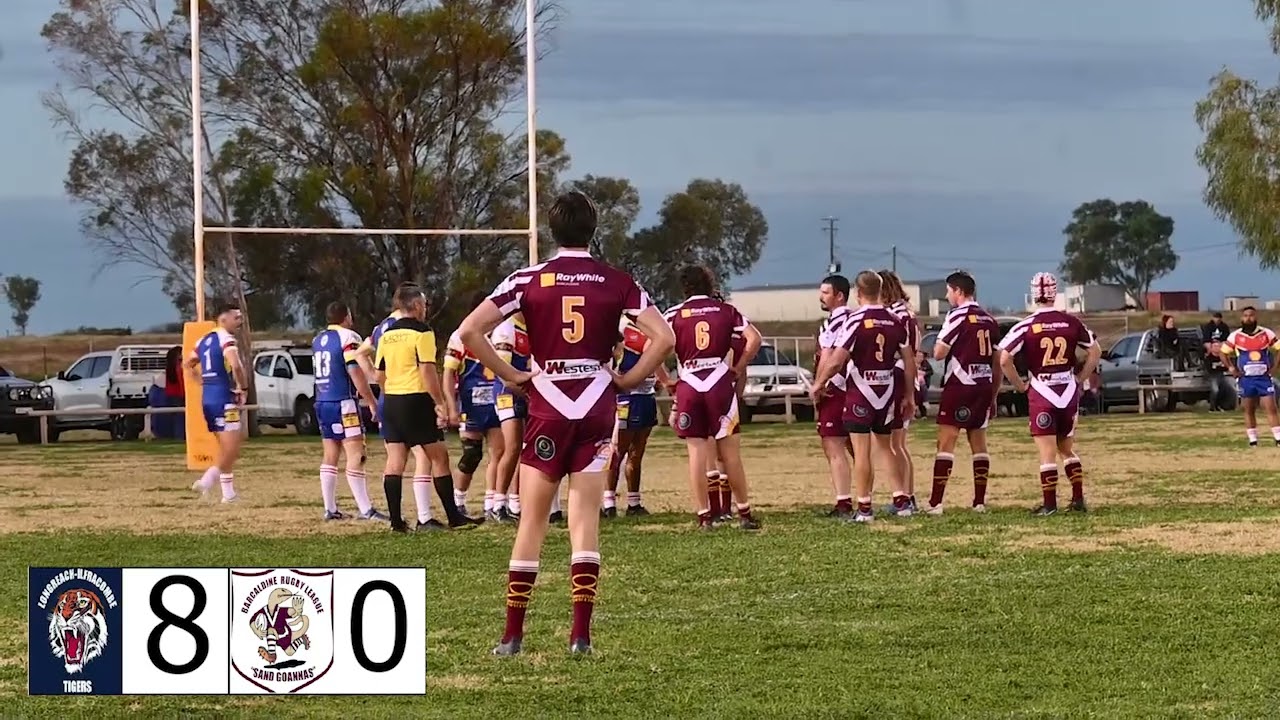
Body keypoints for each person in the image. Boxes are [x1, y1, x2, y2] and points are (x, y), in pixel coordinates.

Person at [457, 190, 674, 656]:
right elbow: (665, 336)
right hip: (596, 403)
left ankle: (513, 636)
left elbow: (469, 331)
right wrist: (630, 378)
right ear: (594, 229)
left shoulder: (527, 278)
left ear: (551, 230)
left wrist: (513, 373)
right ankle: (580, 636)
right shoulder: (617, 281)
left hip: (548, 404)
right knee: (584, 519)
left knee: (532, 519)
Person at [810, 271, 916, 523]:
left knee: (861, 450)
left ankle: (865, 507)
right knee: (887, 446)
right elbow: (909, 360)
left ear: (858, 293)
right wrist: (909, 394)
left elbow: (837, 359)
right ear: (880, 291)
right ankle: (901, 500)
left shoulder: (855, 320)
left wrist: (819, 383)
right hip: (886, 389)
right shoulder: (894, 320)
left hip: (861, 392)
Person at [665, 264, 764, 531]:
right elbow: (754, 339)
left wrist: (665, 380)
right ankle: (744, 513)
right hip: (719, 381)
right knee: (730, 454)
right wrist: (739, 367)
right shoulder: (727, 311)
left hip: (689, 382)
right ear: (710, 285)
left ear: (685, 287)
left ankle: (704, 516)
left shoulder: (674, 313)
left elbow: (652, 344)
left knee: (696, 454)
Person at [995, 272, 1101, 515]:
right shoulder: (1071, 322)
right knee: (1066, 448)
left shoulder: (1027, 325)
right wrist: (1080, 378)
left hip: (1043, 391)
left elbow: (1005, 358)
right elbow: (1095, 351)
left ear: (1034, 294)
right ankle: (1077, 499)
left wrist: (1020, 385)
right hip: (1067, 390)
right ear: (1055, 293)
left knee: (1047, 452)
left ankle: (1050, 504)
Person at [374, 285, 475, 532]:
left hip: (392, 401)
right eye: (425, 304)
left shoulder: (387, 334)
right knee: (439, 457)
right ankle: (454, 516)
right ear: (417, 306)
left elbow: (379, 375)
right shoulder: (423, 332)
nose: (426, 308)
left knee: (395, 460)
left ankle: (396, 522)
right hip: (416, 399)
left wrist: (389, 394)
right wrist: (439, 402)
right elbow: (427, 372)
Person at [925, 270, 1000, 515]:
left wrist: (939, 342)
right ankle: (979, 502)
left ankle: (936, 503)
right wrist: (995, 393)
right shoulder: (989, 319)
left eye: (948, 291)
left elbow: (939, 352)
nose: (947, 296)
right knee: (978, 442)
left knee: (946, 441)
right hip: (983, 383)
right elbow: (996, 358)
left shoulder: (957, 316)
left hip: (960, 383)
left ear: (958, 291)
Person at [311, 301, 386, 521]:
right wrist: (372, 401)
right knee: (356, 453)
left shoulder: (317, 340)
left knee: (331, 453)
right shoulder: (348, 337)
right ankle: (366, 509)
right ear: (347, 316)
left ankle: (330, 508)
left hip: (322, 401)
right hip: (344, 401)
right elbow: (354, 371)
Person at [443, 290, 504, 520]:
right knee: (471, 455)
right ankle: (458, 501)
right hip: (471, 404)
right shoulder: (461, 336)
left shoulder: (500, 333)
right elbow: (448, 373)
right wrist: (451, 405)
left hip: (497, 401)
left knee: (499, 453)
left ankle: (491, 504)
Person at [602, 317, 671, 518]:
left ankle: (634, 502)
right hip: (625, 398)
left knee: (637, 451)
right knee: (616, 451)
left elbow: (657, 357)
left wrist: (659, 379)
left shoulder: (652, 326)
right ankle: (609, 503)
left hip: (646, 395)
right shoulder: (621, 326)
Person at [186, 303, 246, 503]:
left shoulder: (203, 339)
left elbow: (187, 363)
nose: (240, 322)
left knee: (224, 447)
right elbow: (236, 365)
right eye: (236, 318)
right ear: (223, 319)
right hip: (224, 397)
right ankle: (207, 479)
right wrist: (243, 387)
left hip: (208, 398)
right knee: (232, 449)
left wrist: (198, 379)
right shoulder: (225, 339)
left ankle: (228, 495)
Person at [814, 274, 855, 517]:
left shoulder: (838, 321)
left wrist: (818, 385)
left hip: (836, 387)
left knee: (833, 444)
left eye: (826, 292)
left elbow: (830, 357)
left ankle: (844, 502)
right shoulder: (850, 319)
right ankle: (864, 497)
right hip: (853, 388)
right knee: (854, 445)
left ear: (840, 295)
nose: (821, 296)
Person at [881, 269, 921, 515]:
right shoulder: (908, 313)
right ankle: (909, 495)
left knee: (894, 444)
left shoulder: (895, 315)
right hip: (908, 375)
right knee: (900, 444)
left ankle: (904, 497)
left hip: (898, 377)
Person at [1219, 306, 1280, 446]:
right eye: (1245, 315)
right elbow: (1223, 353)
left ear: (1256, 316)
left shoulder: (1266, 333)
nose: (1248, 318)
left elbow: (1278, 348)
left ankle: (1278, 438)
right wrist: (1231, 368)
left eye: (1251, 315)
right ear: (1242, 318)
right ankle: (1253, 440)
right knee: (1248, 408)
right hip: (1246, 379)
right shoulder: (1235, 336)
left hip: (1263, 378)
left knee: (1271, 407)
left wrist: (1275, 367)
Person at [489, 313, 530, 523]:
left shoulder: (529, 328)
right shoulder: (506, 329)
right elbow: (502, 372)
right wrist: (527, 393)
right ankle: (498, 504)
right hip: (507, 394)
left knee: (523, 450)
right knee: (512, 447)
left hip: (523, 393)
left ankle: (515, 503)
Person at [1202, 311, 1233, 412]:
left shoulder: (1224, 327)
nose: (1217, 320)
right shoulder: (1208, 327)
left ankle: (1221, 406)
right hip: (1213, 373)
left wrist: (1220, 347)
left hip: (1221, 345)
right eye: (1216, 318)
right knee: (1215, 389)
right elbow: (1206, 339)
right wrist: (1211, 348)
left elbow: (1227, 339)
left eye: (1219, 318)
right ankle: (1212, 407)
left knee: (1224, 389)